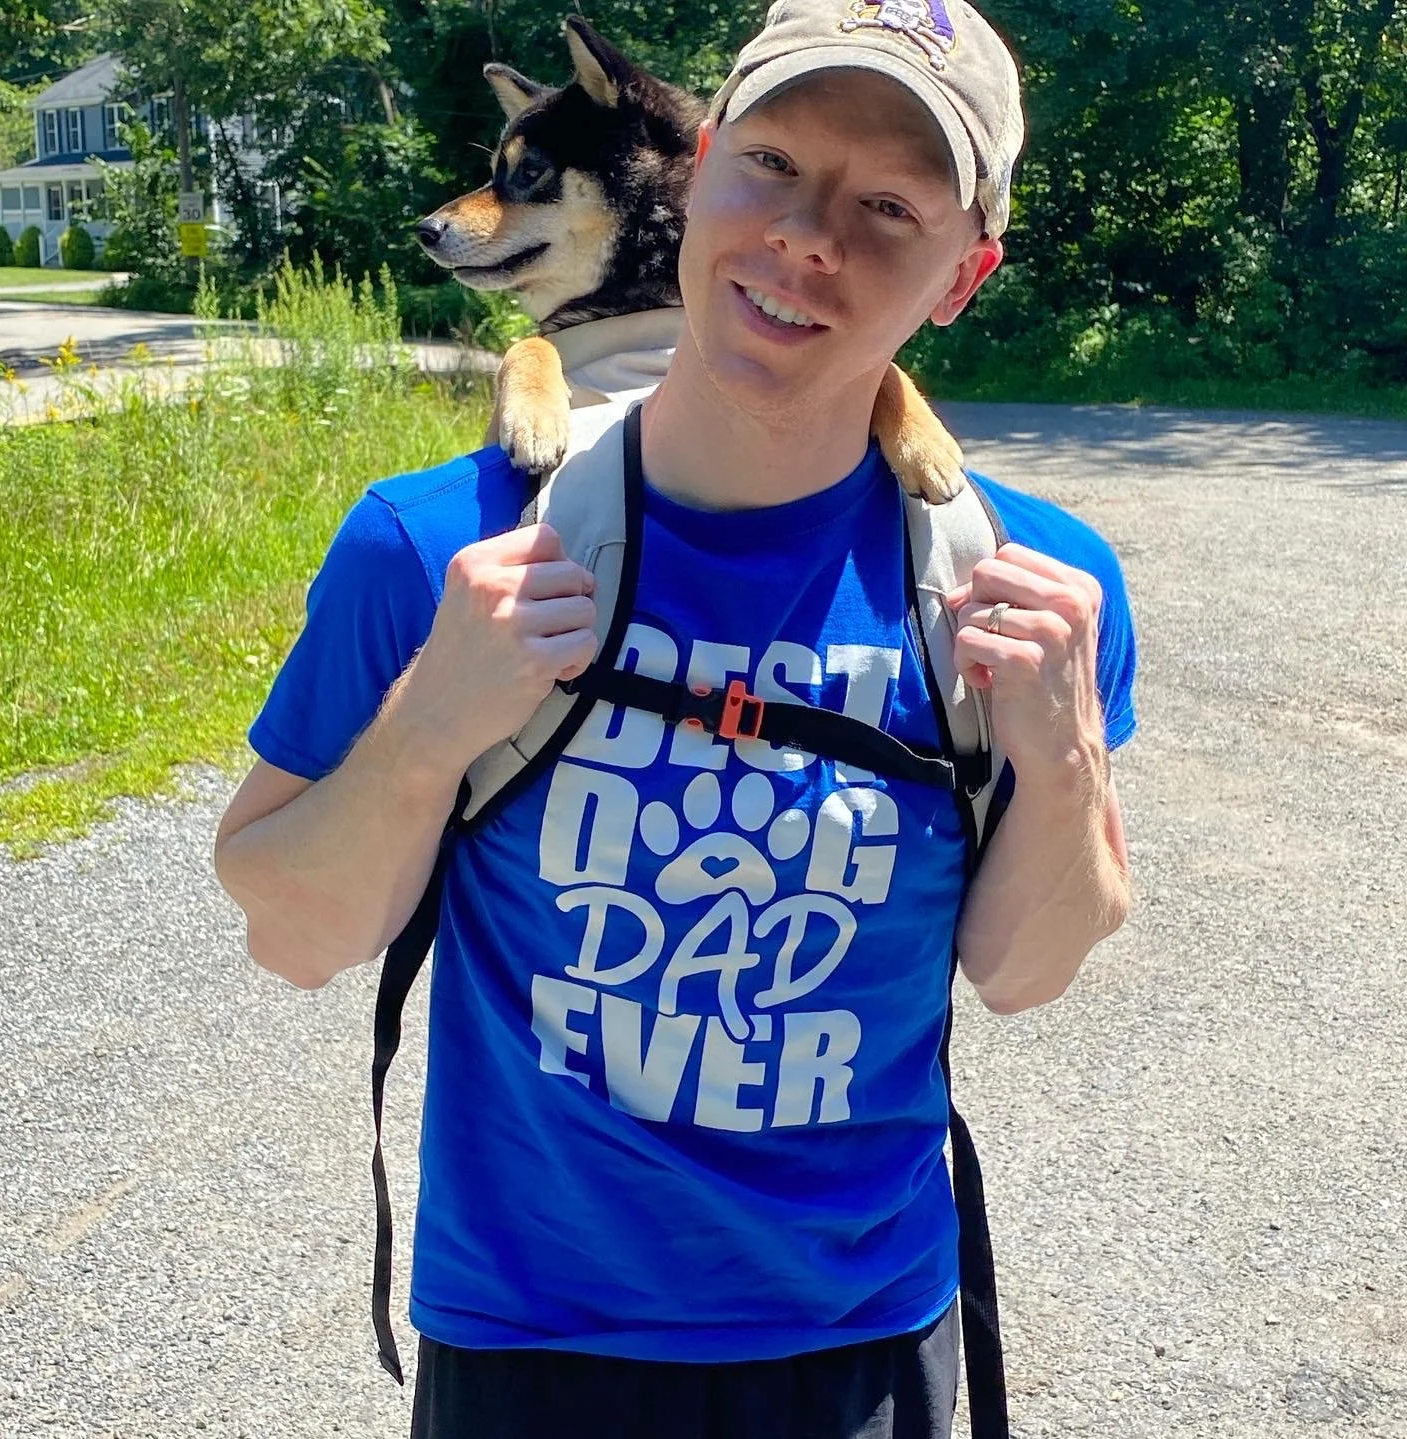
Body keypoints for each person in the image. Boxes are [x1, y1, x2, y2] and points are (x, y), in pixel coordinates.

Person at [214, 0, 1137, 1434]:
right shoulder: (437, 551)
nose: (808, 237)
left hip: (866, 1348)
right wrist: (423, 733)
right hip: (529, 1348)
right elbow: (291, 929)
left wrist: (1063, 758)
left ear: (968, 272)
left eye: (890, 203)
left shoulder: (1026, 593)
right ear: (698, 169)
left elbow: (1024, 968)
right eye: (770, 164)